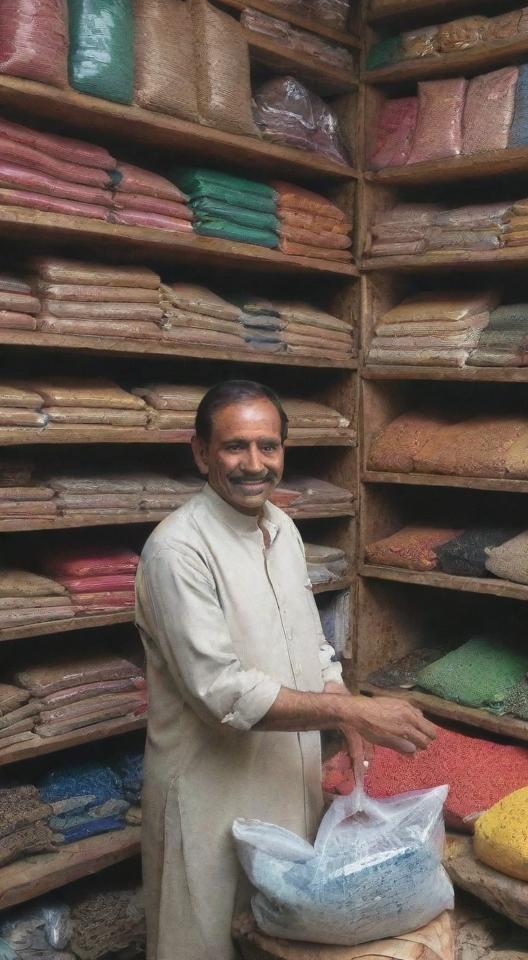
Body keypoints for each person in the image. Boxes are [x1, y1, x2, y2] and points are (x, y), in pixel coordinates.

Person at [135, 380, 436, 960]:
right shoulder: (178, 551)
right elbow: (221, 693)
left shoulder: (283, 529)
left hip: (285, 788)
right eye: (235, 447)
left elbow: (309, 644)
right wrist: (352, 709)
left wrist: (340, 703)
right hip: (209, 795)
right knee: (203, 942)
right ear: (200, 453)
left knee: (279, 941)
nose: (255, 464)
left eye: (268, 447)